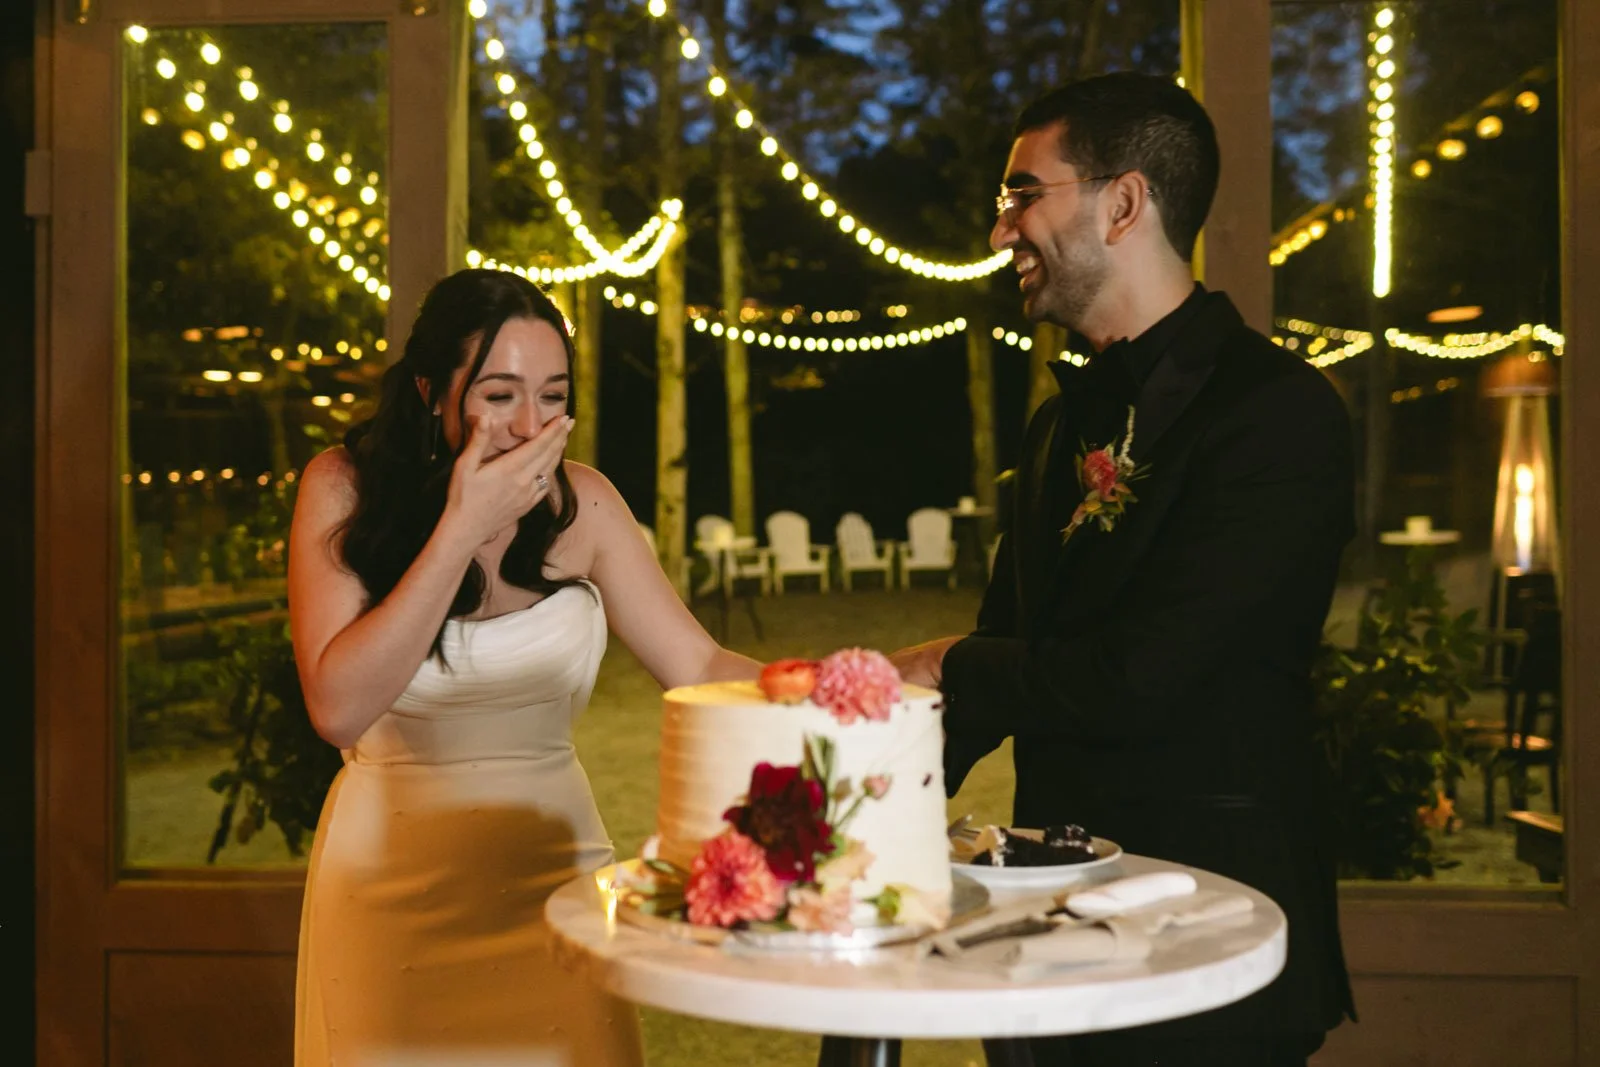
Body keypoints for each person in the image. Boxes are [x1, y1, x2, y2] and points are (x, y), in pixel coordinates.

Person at [889, 73, 1357, 1066]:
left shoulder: (1278, 413)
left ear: (1124, 202)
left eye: (1024, 194)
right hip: (1050, 946)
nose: (999, 229)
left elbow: (1144, 674)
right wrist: (856, 807)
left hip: (1214, 946)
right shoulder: (1060, 426)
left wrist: (947, 662)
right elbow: (995, 671)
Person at [288, 268, 760, 1066]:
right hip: (389, 890)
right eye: (500, 395)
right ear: (433, 391)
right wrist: (462, 528)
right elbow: (337, 708)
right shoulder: (341, 488)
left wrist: (856, 684)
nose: (529, 425)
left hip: (556, 880)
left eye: (552, 394)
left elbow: (701, 661)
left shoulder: (588, 503)